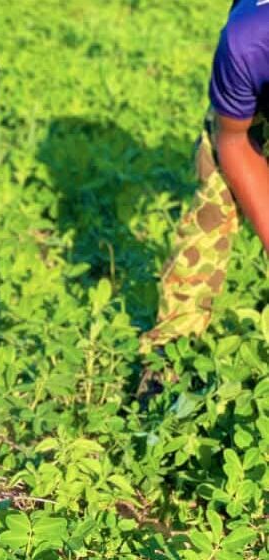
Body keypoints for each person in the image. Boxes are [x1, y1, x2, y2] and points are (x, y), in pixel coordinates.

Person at [139, 0, 269, 384]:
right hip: (251, 97)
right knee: (215, 205)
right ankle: (169, 350)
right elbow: (234, 141)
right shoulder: (247, 42)